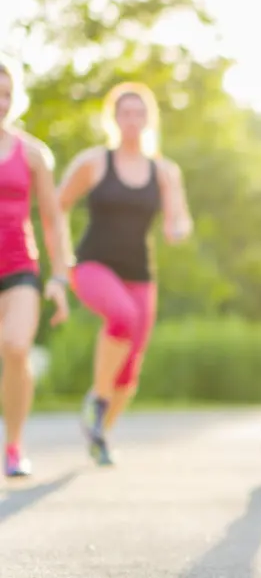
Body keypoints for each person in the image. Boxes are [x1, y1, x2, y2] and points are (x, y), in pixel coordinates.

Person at [57, 82, 193, 466]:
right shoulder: (94, 161)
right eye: (125, 113)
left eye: (139, 113)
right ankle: (97, 401)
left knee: (130, 371)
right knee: (122, 317)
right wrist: (61, 258)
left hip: (140, 274)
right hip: (90, 265)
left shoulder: (165, 171)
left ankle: (100, 433)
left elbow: (178, 217)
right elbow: (58, 206)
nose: (132, 120)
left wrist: (179, 229)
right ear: (114, 118)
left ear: (148, 119)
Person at [0, 59, 72, 477]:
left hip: (19, 267)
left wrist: (60, 275)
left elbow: (52, 218)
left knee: (15, 347)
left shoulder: (33, 154)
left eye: (7, 94)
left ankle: (13, 444)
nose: (2, 103)